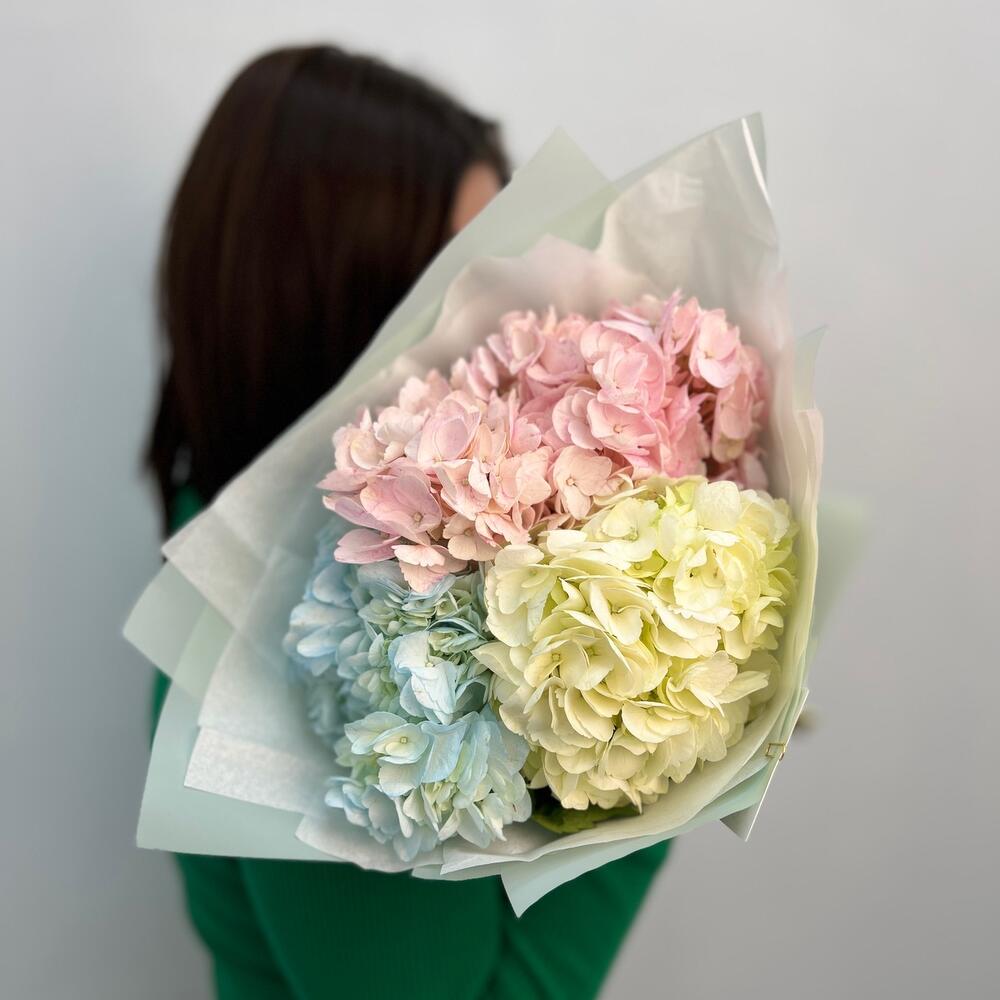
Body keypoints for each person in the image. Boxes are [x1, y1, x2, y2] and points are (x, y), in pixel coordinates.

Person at [146, 44, 670, 1000]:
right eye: (458, 279)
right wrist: (654, 737)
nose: (514, 323)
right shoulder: (315, 635)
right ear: (326, 304)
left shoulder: (264, 555)